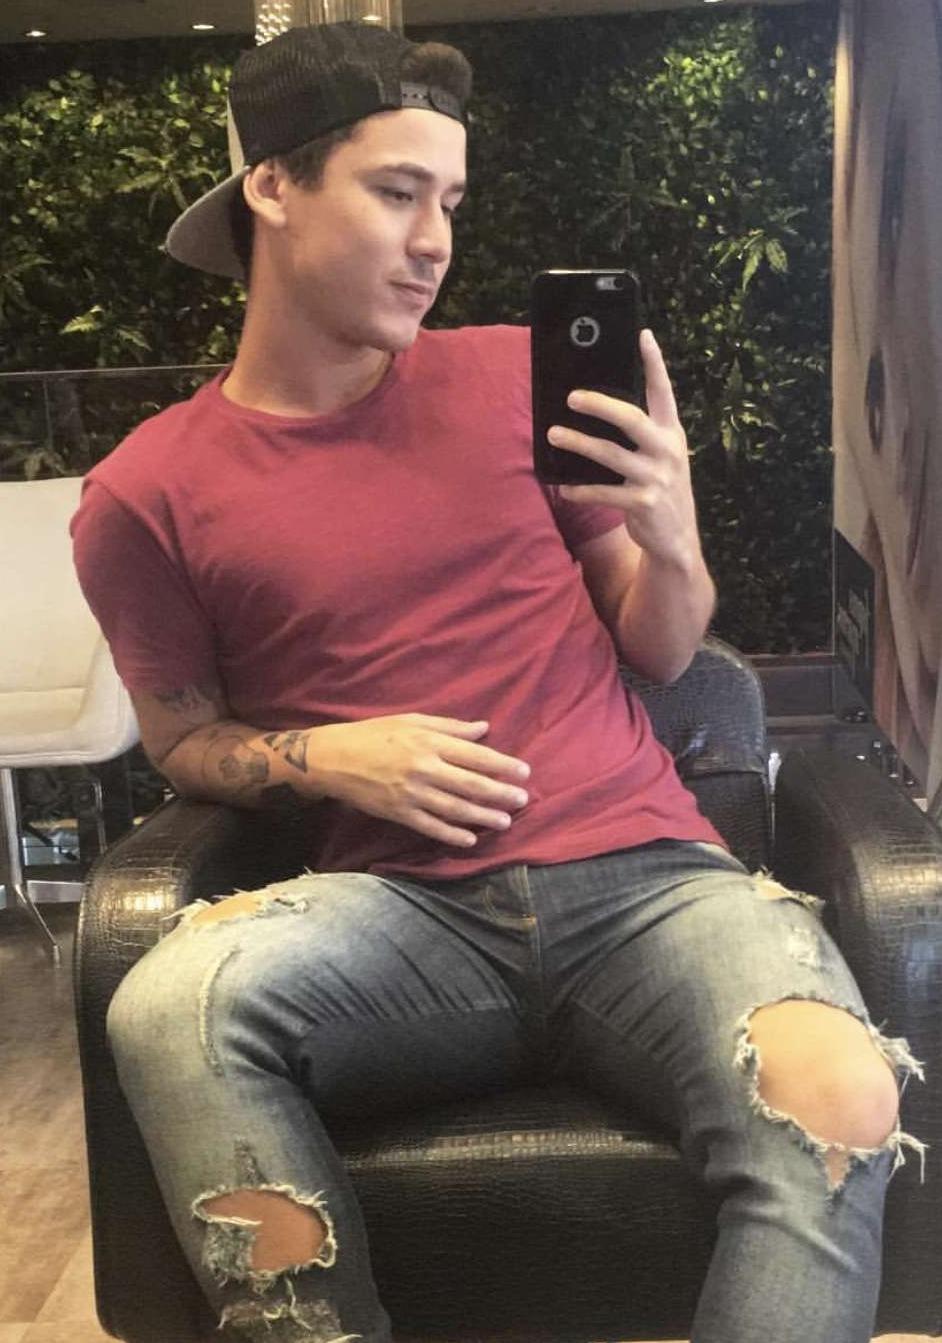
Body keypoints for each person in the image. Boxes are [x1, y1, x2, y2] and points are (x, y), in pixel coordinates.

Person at [72, 22, 922, 1343]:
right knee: (170, 1003)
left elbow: (658, 645)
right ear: (273, 187)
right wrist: (328, 756)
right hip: (399, 918)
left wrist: (673, 536)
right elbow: (184, 741)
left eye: (451, 203)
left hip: (650, 885)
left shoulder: (509, 379)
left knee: (837, 1090)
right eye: (396, 192)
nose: (434, 242)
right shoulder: (146, 492)